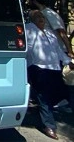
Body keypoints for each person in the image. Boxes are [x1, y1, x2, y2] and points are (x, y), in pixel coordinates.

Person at [26, 9, 73, 140]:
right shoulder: (28, 29)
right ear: (32, 19)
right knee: (44, 97)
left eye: (42, 16)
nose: (41, 18)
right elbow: (26, 49)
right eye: (37, 16)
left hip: (54, 68)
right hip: (38, 68)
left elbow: (58, 51)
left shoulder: (50, 33)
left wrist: (68, 61)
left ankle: (42, 112)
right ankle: (49, 126)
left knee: (58, 95)